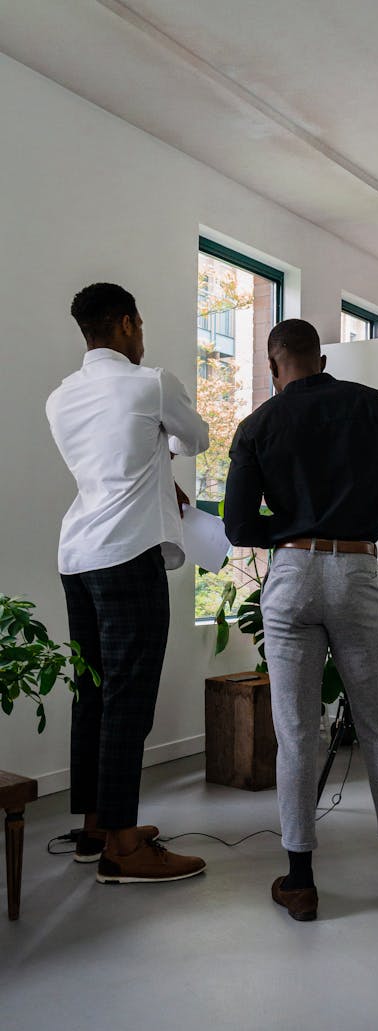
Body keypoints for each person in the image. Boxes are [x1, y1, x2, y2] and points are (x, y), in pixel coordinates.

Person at [223, 318, 378, 921]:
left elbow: (238, 528)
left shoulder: (257, 424)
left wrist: (289, 534)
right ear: (320, 357)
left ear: (272, 364)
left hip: (288, 577)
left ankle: (300, 880)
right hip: (356, 570)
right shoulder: (370, 405)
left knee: (296, 733)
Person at [46, 282, 209, 884]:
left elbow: (112, 461)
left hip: (77, 556)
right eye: (139, 326)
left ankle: (94, 826)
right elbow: (198, 439)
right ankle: (123, 847)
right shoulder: (152, 382)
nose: (143, 336)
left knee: (94, 691)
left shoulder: (60, 398)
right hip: (128, 555)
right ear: (125, 324)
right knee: (129, 698)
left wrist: (152, 454)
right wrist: (163, 443)